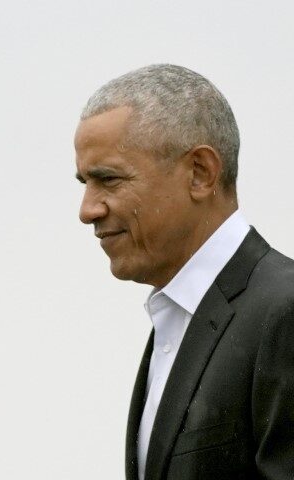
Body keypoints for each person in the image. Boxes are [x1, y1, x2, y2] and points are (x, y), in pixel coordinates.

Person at [74, 64, 294, 479]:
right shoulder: (177, 317)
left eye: (108, 179)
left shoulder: (283, 311)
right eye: (84, 182)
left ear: (200, 173)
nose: (88, 210)